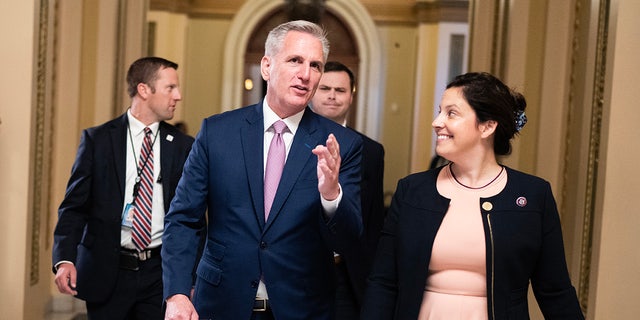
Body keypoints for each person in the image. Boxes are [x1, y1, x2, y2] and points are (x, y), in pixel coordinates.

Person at [162, 20, 364, 320]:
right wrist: (177, 293)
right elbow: (183, 220)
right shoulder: (218, 132)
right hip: (221, 305)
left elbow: (349, 240)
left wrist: (331, 195)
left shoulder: (342, 144)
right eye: (295, 60)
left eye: (315, 65)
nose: (306, 74)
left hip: (302, 308)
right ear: (267, 67)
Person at [361, 72, 584, 319]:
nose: (436, 122)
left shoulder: (533, 196)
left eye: (451, 113)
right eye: (439, 111)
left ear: (487, 126)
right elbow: (383, 282)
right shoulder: (412, 191)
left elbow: (555, 291)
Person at [52, 56, 194, 320]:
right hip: (108, 272)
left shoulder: (184, 146)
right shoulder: (98, 140)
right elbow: (74, 206)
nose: (179, 95)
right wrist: (64, 259)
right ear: (144, 90)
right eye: (170, 88)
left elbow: (193, 219)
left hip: (159, 274)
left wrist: (191, 280)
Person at [310, 61, 385, 319]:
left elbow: (373, 221)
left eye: (340, 90)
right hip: (299, 269)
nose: (332, 95)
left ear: (352, 95)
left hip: (349, 274)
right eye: (325, 88)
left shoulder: (372, 151)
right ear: (311, 92)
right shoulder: (289, 142)